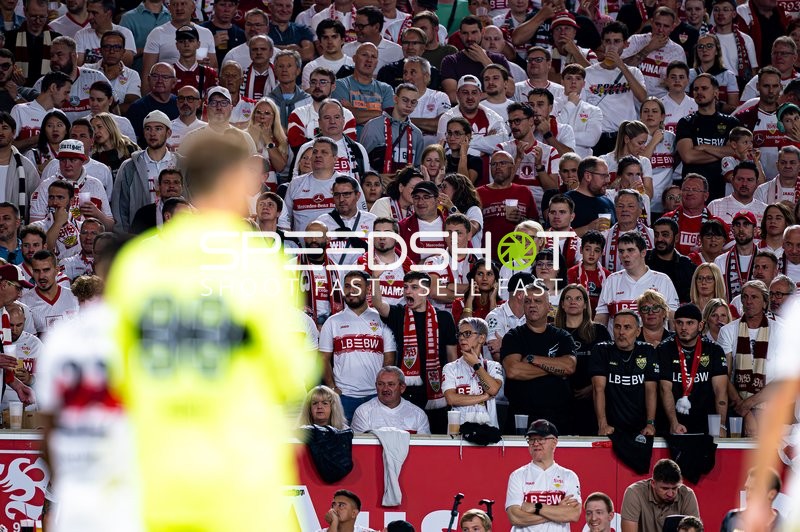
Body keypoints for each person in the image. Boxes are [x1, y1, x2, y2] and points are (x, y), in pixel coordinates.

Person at [105, 130, 314, 530]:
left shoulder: (139, 262)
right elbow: (287, 375)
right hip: (236, 470)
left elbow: (119, 368)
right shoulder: (255, 263)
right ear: (234, 179)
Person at [371, 271, 457, 432]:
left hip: (436, 388)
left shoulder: (444, 317)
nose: (408, 291)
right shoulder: (399, 313)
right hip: (408, 389)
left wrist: (453, 385)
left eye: (414, 287)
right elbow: (378, 304)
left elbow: (452, 356)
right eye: (405, 287)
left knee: (437, 434)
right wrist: (375, 278)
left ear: (426, 291)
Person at [319, 270, 396, 420]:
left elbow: (389, 358)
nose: (351, 290)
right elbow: (323, 359)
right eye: (347, 286)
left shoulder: (381, 319)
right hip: (344, 397)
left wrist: (382, 389)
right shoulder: (332, 321)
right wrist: (333, 389)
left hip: (375, 395)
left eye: (357, 286)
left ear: (368, 289)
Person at [501, 288, 577, 433]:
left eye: (538, 301)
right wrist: (555, 369)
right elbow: (513, 370)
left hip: (558, 418)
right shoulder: (513, 336)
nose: (532, 305)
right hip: (521, 417)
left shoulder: (562, 336)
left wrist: (532, 358)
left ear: (549, 307)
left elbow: (569, 367)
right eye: (527, 301)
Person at [717, 280, 778, 436]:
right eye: (745, 297)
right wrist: (746, 412)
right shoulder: (728, 331)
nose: (748, 301)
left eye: (754, 297)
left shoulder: (780, 331)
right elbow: (724, 375)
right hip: (736, 405)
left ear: (765, 302)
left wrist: (749, 404)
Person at [657, 303, 729, 436]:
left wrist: (721, 424)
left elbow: (720, 391)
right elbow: (664, 389)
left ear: (700, 326)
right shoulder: (664, 349)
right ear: (674, 324)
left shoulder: (714, 350)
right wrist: (674, 423)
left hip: (706, 425)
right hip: (673, 425)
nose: (684, 327)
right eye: (679, 323)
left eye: (690, 323)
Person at [590, 309, 658, 436]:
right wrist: (602, 424)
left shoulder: (647, 351)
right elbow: (598, 389)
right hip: (610, 426)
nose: (621, 332)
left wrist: (650, 423)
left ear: (638, 332)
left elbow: (651, 390)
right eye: (617, 327)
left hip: (640, 427)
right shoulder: (601, 350)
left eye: (627, 327)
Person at [582, 22, 647, 154]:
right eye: (608, 41)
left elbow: (643, 98)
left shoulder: (634, 72)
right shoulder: (588, 73)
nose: (612, 46)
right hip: (599, 136)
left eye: (617, 41)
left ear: (626, 44)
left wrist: (621, 65)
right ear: (602, 43)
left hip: (625, 136)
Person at [505, 419, 582, 528]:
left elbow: (573, 514)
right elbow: (515, 517)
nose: (535, 443)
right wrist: (557, 511)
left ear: (554, 442)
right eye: (531, 440)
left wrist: (536, 507)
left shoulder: (569, 476)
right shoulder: (517, 475)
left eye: (541, 439)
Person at [596, 232, 679, 332]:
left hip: (654, 341)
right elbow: (601, 318)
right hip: (617, 341)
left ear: (643, 253)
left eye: (630, 250)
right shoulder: (612, 280)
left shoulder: (663, 280)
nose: (625, 255)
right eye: (621, 251)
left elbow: (673, 319)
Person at [112, 111, 179, 233]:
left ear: (168, 133)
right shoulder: (129, 166)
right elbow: (120, 207)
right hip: (141, 233)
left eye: (158, 128)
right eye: (148, 129)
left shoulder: (181, 164)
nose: (152, 133)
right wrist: (124, 238)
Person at [675, 74, 739, 199]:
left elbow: (736, 151)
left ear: (716, 92)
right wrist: (723, 153)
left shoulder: (732, 122)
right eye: (696, 89)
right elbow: (688, 157)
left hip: (724, 190)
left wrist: (704, 147)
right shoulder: (685, 122)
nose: (699, 92)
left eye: (704, 88)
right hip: (693, 191)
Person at [443, 316, 503, 427]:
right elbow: (451, 399)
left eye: (467, 333)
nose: (462, 338)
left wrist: (476, 365)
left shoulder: (493, 366)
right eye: (460, 334)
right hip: (459, 432)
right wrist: (484, 397)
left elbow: (493, 389)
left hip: (488, 431)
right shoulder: (450, 368)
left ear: (482, 338)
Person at [439, 16, 510, 103]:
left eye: (474, 32)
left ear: (482, 32)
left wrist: (485, 60)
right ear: (460, 35)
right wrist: (493, 94)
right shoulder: (450, 61)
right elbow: (452, 97)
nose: (469, 38)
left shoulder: (499, 59)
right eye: (465, 33)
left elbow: (510, 90)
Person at [620, 7, 687, 99]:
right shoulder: (635, 40)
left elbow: (681, 85)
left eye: (666, 26)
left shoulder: (677, 51)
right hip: (631, 100)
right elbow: (620, 69)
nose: (661, 30)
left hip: (662, 103)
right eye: (657, 24)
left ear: (672, 27)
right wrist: (648, 48)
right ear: (651, 22)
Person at [359, 83, 424, 178]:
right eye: (405, 100)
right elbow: (361, 161)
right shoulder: (373, 126)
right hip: (378, 185)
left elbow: (417, 167)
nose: (409, 105)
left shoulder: (417, 134)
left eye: (413, 102)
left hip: (406, 185)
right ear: (395, 99)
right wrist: (378, 177)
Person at [620, 459, 700, 532]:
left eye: (674, 488)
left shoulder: (687, 495)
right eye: (665, 488)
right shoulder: (635, 493)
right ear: (653, 483)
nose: (670, 494)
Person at [350, 366, 432, 434]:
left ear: (402, 388)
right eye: (380, 384)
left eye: (391, 384)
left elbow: (423, 446)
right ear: (376, 386)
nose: (385, 389)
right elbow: (359, 446)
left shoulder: (418, 415)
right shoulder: (363, 412)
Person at [20, 249, 79, 336]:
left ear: (57, 270)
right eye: (36, 271)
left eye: (46, 270)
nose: (41, 276)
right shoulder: (25, 303)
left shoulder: (74, 297)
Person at [665, 174, 728, 256]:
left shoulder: (718, 224)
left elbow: (732, 249)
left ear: (705, 196)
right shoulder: (667, 219)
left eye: (695, 190)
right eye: (686, 189)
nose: (690, 193)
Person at [5, 0, 63, 86]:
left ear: (47, 13)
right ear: (25, 12)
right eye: (33, 16)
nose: (38, 21)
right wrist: (11, 77)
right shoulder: (10, 38)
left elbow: (62, 70)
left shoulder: (57, 40)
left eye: (42, 17)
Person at [11, 71, 72, 152]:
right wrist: (38, 139)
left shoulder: (61, 115)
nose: (68, 98)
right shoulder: (20, 110)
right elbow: (7, 147)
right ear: (53, 87)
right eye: (66, 93)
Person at [84, 31, 141, 115]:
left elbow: (131, 106)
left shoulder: (132, 75)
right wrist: (106, 78)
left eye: (117, 47)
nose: (112, 51)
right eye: (107, 47)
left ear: (123, 52)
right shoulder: (86, 70)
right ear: (100, 50)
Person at [125, 63, 179, 146]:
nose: (160, 80)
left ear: (174, 82)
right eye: (155, 76)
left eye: (165, 77)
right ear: (148, 79)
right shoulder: (137, 108)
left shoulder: (180, 104)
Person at [646, 218, 697, 303]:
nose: (659, 239)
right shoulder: (643, 260)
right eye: (656, 235)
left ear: (676, 238)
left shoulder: (687, 266)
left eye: (665, 235)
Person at [557, 64, 603, 158]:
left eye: (578, 78)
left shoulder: (593, 110)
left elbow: (591, 139)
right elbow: (552, 131)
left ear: (583, 84)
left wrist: (563, 135)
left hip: (582, 161)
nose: (573, 82)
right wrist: (571, 104)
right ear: (562, 82)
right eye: (569, 78)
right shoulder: (552, 105)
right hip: (557, 159)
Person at [602, 190, 653, 273]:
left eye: (630, 206)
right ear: (615, 209)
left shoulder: (652, 235)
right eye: (620, 206)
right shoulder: (604, 236)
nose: (625, 209)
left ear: (640, 211)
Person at [714, 210, 759, 300]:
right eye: (737, 225)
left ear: (755, 230)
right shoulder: (720, 261)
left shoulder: (765, 260)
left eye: (746, 224)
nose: (741, 229)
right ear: (733, 230)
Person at [564, 156, 615, 236]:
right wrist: (587, 229)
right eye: (603, 176)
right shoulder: (565, 201)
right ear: (588, 176)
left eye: (608, 176)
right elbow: (551, 236)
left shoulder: (608, 202)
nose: (608, 180)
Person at [75, 0, 136, 66]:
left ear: (108, 13)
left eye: (94, 13)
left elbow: (126, 63)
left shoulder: (125, 33)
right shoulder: (81, 35)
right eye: (88, 12)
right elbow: (78, 65)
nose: (89, 17)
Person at [720, 468, 782, 532]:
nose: (748, 494)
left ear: (772, 494)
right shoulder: (732, 518)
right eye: (747, 489)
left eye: (753, 490)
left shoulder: (784, 527)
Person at [247, 98, 289, 187]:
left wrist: (267, 139)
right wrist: (253, 137)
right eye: (258, 112)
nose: (262, 117)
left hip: (270, 185)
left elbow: (280, 167)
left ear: (274, 117)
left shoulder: (280, 138)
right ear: (253, 115)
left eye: (267, 113)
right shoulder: (244, 135)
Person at [567, 231, 610, 314]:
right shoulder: (571, 273)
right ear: (581, 250)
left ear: (602, 253)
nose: (592, 254)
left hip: (600, 317)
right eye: (587, 249)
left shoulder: (607, 275)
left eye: (596, 250)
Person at [130, 168, 183, 234]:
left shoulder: (193, 212)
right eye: (166, 182)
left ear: (182, 187)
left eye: (176, 182)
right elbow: (135, 239)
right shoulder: (144, 214)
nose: (171, 186)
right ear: (159, 186)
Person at [171, 25, 219, 98]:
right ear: (177, 45)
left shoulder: (210, 74)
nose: (186, 45)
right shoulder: (168, 73)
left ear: (198, 44)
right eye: (182, 41)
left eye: (191, 41)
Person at [90, 112, 138, 177]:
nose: (95, 132)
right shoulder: (96, 157)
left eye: (99, 127)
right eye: (93, 129)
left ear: (110, 127)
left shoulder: (130, 148)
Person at [166, 86, 206, 151]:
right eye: (181, 98)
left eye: (190, 99)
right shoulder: (167, 128)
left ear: (199, 103)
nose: (185, 102)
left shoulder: (208, 129)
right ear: (177, 103)